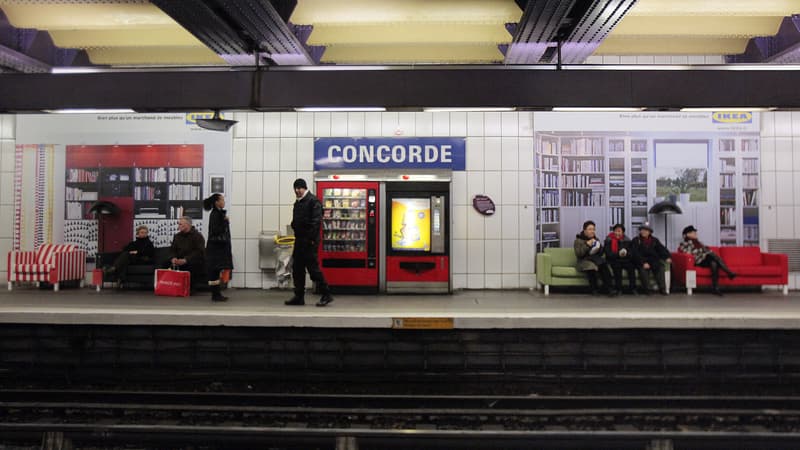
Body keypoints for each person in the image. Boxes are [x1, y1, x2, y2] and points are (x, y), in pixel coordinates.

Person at [285, 178, 334, 307]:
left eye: (299, 188)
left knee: (313, 269)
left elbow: (316, 222)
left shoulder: (313, 201)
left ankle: (326, 294)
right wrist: (294, 224)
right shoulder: (298, 202)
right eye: (295, 188)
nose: (297, 191)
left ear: (305, 188)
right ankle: (299, 296)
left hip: (309, 241)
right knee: (297, 269)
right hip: (299, 240)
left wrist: (311, 239)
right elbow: (296, 220)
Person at [678, 225, 736, 296]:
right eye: (693, 232)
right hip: (698, 260)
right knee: (711, 255)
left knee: (714, 263)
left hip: (705, 259)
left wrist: (705, 251)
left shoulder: (699, 242)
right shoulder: (684, 243)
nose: (696, 233)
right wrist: (703, 251)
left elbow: (706, 250)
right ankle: (728, 272)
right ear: (688, 234)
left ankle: (715, 288)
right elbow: (688, 253)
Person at [203, 193, 232, 303]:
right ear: (217, 202)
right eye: (222, 200)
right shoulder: (216, 214)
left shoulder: (217, 213)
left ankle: (216, 294)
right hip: (216, 248)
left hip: (216, 247)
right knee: (214, 271)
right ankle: (215, 294)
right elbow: (216, 231)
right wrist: (225, 221)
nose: (224, 202)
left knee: (216, 270)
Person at [573, 220, 614, 296]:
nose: (592, 231)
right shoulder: (578, 241)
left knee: (604, 265)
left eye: (593, 229)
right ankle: (594, 289)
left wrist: (600, 247)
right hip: (583, 261)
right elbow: (579, 254)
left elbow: (600, 254)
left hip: (595, 259)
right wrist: (587, 245)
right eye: (590, 229)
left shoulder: (596, 239)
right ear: (585, 230)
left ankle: (609, 288)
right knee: (591, 267)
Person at [167, 216, 206, 293]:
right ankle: (169, 286)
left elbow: (199, 252)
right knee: (165, 262)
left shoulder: (197, 236)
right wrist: (173, 258)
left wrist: (186, 260)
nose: (178, 226)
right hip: (179, 259)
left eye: (180, 224)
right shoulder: (177, 236)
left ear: (188, 225)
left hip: (192, 259)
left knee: (192, 264)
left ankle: (190, 288)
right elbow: (172, 250)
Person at [631, 222, 671, 295]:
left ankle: (662, 289)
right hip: (642, 261)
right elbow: (635, 253)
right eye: (642, 230)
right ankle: (648, 290)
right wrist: (643, 262)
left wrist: (667, 257)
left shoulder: (655, 240)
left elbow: (662, 249)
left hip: (653, 260)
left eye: (646, 230)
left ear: (649, 232)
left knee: (660, 267)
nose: (644, 232)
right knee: (643, 270)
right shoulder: (636, 240)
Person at [604, 223, 638, 296]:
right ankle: (618, 289)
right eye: (616, 231)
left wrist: (626, 254)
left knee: (631, 268)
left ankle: (633, 288)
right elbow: (608, 253)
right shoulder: (608, 240)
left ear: (622, 232)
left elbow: (631, 253)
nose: (617, 233)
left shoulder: (627, 240)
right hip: (614, 260)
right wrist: (618, 254)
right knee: (617, 269)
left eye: (619, 231)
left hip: (625, 259)